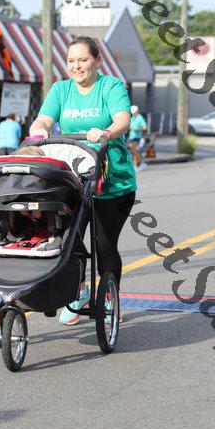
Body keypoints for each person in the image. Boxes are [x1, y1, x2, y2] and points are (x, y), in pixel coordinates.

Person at [29, 36, 137, 325]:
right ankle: (80, 291)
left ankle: (110, 298)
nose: (77, 66)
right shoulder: (61, 89)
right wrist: (39, 129)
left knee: (104, 247)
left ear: (97, 60)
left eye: (83, 60)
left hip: (112, 181)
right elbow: (43, 120)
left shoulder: (110, 86)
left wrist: (106, 132)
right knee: (67, 241)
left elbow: (123, 120)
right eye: (71, 61)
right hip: (74, 180)